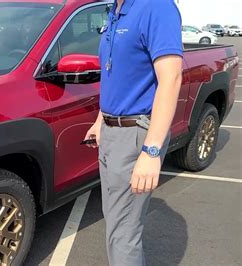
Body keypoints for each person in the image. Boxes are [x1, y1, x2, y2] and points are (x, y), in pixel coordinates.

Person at [84, 0, 183, 265]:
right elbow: (115, 75)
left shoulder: (156, 7)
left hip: (135, 135)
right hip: (111, 131)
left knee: (124, 234)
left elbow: (171, 79)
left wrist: (151, 151)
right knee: (117, 222)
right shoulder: (116, 10)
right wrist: (100, 120)